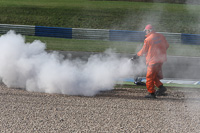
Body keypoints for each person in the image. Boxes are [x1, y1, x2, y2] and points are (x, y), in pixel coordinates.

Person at [132, 24, 169, 98]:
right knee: (154, 75)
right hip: (161, 60)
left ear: (149, 30)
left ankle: (151, 93)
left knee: (149, 77)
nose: (145, 32)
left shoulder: (148, 39)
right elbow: (167, 45)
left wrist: (137, 55)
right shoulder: (161, 36)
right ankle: (161, 88)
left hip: (152, 61)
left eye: (146, 30)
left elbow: (144, 50)